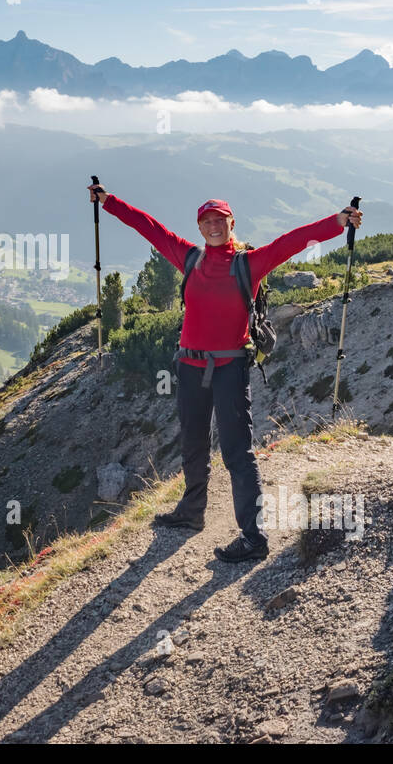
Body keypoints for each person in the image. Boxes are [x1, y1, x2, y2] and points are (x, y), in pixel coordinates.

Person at [87, 182, 363, 562]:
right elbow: (148, 227)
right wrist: (108, 201)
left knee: (237, 451)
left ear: (232, 224)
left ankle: (253, 537)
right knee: (192, 443)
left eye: (220, 220)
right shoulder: (189, 257)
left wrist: (338, 221)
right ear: (199, 228)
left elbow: (293, 241)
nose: (213, 226)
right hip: (189, 365)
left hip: (230, 367)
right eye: (207, 221)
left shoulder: (249, 264)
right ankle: (192, 512)